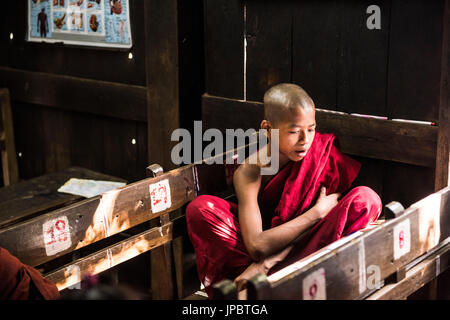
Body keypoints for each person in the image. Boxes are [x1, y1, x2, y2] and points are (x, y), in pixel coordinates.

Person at [186, 83, 382, 298]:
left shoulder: (320, 154)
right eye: (294, 131)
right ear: (268, 129)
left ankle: (268, 278)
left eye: (311, 129)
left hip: (306, 246)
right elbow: (257, 246)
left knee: (366, 199)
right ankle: (282, 279)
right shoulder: (250, 172)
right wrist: (315, 213)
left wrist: (266, 264)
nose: (305, 140)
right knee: (200, 209)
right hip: (272, 245)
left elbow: (331, 223)